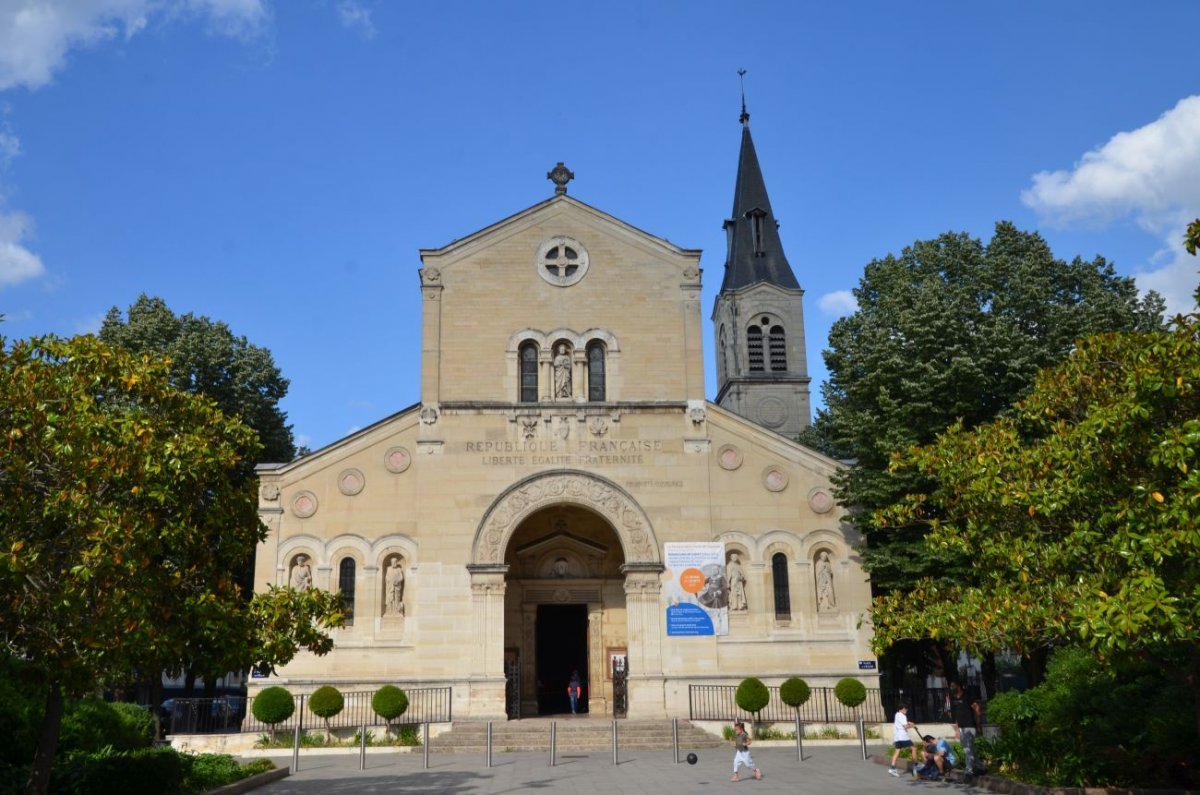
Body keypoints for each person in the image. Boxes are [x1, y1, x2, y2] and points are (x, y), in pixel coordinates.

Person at [951, 682, 982, 776]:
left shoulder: (967, 697)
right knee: (970, 749)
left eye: (953, 686)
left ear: (959, 686)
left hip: (969, 727)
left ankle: (969, 771)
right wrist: (956, 730)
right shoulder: (955, 700)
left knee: (967, 749)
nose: (951, 688)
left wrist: (978, 722)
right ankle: (981, 767)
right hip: (961, 728)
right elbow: (956, 717)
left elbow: (977, 707)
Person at [888, 703, 916, 776]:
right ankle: (914, 766)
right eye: (904, 708)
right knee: (914, 748)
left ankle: (892, 768)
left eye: (906, 708)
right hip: (903, 736)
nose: (906, 710)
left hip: (897, 737)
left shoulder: (897, 714)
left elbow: (900, 724)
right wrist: (912, 725)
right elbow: (905, 726)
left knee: (897, 751)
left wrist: (908, 722)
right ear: (900, 709)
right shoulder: (903, 716)